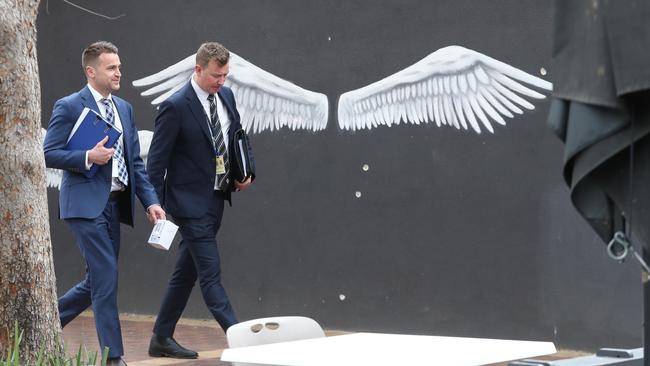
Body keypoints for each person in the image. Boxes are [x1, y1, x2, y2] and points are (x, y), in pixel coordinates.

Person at [43, 41, 166, 366]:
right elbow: (47, 153)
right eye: (112, 67)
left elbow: (135, 163)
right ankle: (114, 358)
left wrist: (150, 202)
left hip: (115, 205)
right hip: (83, 205)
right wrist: (87, 156)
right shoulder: (69, 106)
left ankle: (46, 322)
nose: (118, 73)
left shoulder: (124, 108)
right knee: (106, 274)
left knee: (97, 279)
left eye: (119, 67)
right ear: (91, 70)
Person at [146, 42, 253, 359]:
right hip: (187, 206)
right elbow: (156, 163)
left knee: (186, 274)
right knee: (211, 275)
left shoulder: (227, 97)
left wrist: (246, 171)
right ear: (198, 70)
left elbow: (237, 137)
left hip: (217, 200)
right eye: (215, 76)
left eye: (225, 75)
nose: (221, 82)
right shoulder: (175, 106)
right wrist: (154, 204)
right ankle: (243, 342)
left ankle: (161, 337)